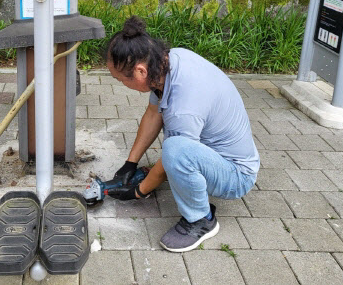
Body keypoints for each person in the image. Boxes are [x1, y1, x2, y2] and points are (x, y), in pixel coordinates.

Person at [105, 16, 260, 253]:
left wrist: (138, 191)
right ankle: (191, 182)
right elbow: (153, 111)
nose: (120, 84)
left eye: (120, 79)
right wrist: (130, 163)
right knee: (177, 149)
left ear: (139, 71)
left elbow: (172, 158)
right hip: (213, 154)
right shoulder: (169, 61)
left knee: (175, 149)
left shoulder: (183, 108)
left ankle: (201, 219)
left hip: (236, 174)